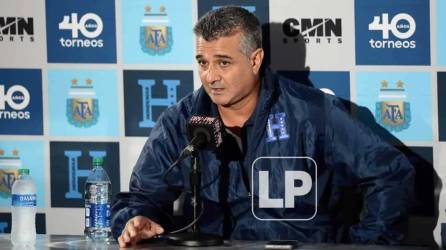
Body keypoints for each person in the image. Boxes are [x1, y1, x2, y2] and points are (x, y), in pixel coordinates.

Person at [111, 6, 414, 247]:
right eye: (203, 62)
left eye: (223, 62)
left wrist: (365, 245)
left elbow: (390, 173)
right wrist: (135, 219)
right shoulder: (181, 120)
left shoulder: (314, 113)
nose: (210, 76)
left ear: (255, 60)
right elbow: (142, 197)